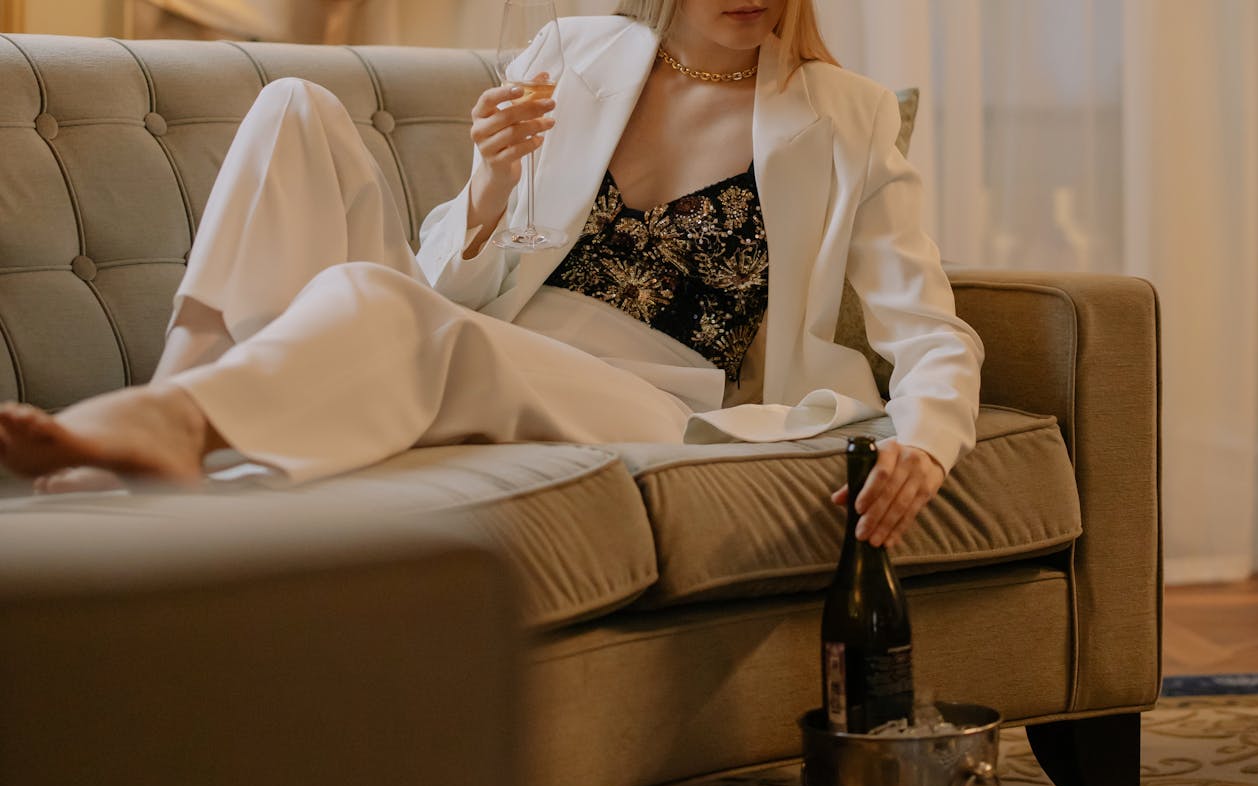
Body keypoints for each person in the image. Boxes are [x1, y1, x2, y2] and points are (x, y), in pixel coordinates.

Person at [0, 0, 982, 550]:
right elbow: (457, 290)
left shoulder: (840, 116)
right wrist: (486, 186)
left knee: (377, 304)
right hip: (487, 337)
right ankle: (172, 408)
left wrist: (926, 443)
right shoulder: (575, 53)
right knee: (292, 107)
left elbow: (928, 330)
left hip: (646, 399)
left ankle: (167, 421)